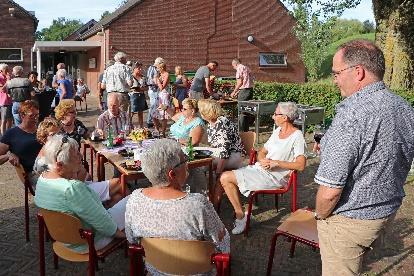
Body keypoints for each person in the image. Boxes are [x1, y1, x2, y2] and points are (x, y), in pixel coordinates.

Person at [313, 39, 414, 275]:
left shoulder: (351, 114)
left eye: (336, 73)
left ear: (357, 72)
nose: (334, 79)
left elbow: (330, 193)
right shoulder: (404, 107)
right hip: (385, 212)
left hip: (350, 221)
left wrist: (319, 215)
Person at [125, 139, 230, 275]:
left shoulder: (134, 199)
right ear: (172, 174)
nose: (187, 163)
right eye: (184, 159)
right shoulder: (198, 204)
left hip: (157, 271)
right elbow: (222, 243)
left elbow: (131, 240)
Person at [218, 102, 306, 234]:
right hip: (261, 170)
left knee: (225, 177)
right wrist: (263, 160)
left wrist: (276, 163)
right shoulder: (277, 131)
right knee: (225, 177)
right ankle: (241, 215)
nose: (272, 117)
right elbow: (261, 152)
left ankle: (241, 216)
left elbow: (301, 165)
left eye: (276, 114)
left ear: (285, 117)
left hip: (276, 177)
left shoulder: (297, 136)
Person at [34, 134, 128, 253]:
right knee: (136, 197)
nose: (81, 157)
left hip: (65, 239)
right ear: (59, 165)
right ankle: (143, 248)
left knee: (118, 196)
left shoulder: (42, 180)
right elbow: (102, 223)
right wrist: (121, 235)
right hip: (90, 241)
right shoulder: (71, 188)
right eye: (76, 155)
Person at [34, 118, 124, 207]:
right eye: (53, 135)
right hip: (75, 193)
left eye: (59, 133)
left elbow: (82, 173)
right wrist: (79, 173)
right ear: (43, 138)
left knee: (118, 196)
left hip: (80, 186)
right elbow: (69, 180)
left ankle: (105, 213)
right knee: (120, 183)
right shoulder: (43, 161)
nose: (58, 137)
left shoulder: (60, 150)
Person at [0, 100, 42, 184]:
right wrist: (8, 156)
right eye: (31, 116)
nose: (35, 118)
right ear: (22, 115)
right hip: (33, 175)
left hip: (49, 171)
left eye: (37, 115)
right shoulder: (12, 133)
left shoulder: (42, 131)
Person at [198, 99, 244, 174]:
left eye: (201, 110)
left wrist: (218, 173)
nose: (199, 112)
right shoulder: (211, 123)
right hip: (223, 154)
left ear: (205, 112)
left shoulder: (222, 123)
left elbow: (225, 151)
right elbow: (215, 145)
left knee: (199, 164)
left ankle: (205, 182)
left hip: (233, 156)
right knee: (197, 154)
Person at [230, 58, 254, 132]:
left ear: (235, 64)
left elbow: (240, 82)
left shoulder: (239, 68)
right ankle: (245, 130)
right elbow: (246, 82)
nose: (233, 68)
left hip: (244, 92)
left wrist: (234, 92)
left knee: (241, 111)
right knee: (246, 111)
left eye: (233, 66)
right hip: (249, 90)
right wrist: (238, 92)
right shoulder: (246, 68)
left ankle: (241, 130)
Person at [151, 62, 170, 137]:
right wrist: (155, 80)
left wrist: (157, 81)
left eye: (158, 68)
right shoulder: (160, 75)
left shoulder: (166, 74)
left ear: (162, 68)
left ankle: (163, 132)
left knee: (163, 115)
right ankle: (157, 130)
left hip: (164, 95)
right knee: (153, 114)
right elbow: (157, 86)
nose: (157, 70)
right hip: (159, 95)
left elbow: (162, 87)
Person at [146, 57, 165, 128]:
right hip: (153, 89)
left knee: (154, 106)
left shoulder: (153, 68)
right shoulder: (153, 68)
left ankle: (151, 121)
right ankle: (150, 121)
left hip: (154, 89)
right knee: (153, 106)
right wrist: (158, 81)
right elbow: (150, 80)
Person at [129, 62, 148, 129]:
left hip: (141, 95)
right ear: (134, 68)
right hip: (133, 96)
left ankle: (141, 127)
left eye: (140, 68)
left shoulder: (143, 77)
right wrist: (133, 89)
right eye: (138, 68)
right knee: (132, 112)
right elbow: (128, 87)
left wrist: (143, 88)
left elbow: (147, 87)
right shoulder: (130, 76)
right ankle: (129, 126)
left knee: (141, 112)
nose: (140, 69)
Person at [0, 63, 12, 135]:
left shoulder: (8, 78)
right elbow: (2, 90)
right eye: (6, 69)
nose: (8, 71)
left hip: (10, 101)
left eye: (8, 69)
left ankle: (8, 134)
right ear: (1, 70)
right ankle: (3, 137)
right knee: (4, 120)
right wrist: (8, 81)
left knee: (10, 119)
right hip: (3, 101)